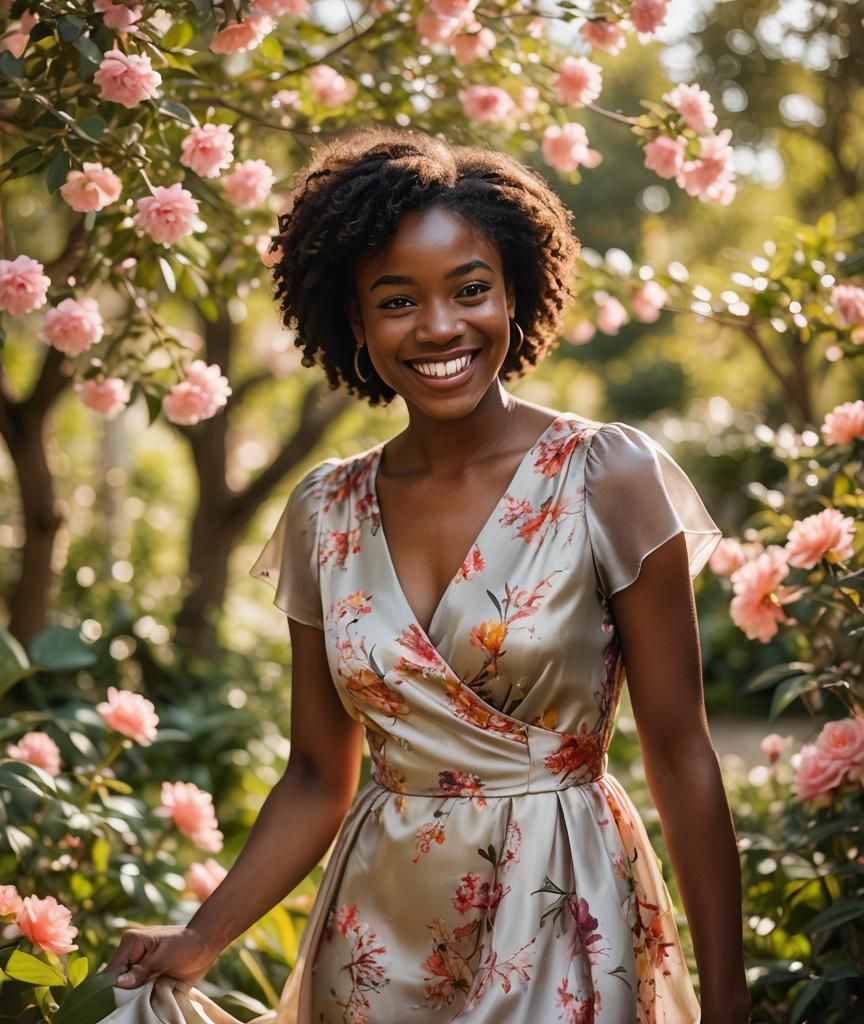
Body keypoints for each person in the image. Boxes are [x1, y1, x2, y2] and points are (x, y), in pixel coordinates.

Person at [100, 127, 752, 1024]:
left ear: (516, 294)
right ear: (355, 323)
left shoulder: (608, 477)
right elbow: (313, 779)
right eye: (398, 300)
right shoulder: (324, 513)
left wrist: (729, 1002)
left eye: (470, 289)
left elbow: (682, 757)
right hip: (377, 941)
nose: (441, 326)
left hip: (561, 909)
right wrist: (201, 938)